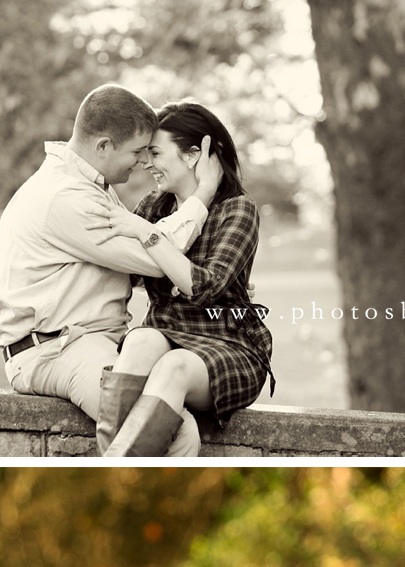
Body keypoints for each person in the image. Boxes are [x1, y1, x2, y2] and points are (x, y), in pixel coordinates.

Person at [0, 83, 227, 457]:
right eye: (136, 151)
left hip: (73, 341)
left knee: (167, 408)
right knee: (175, 430)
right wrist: (203, 195)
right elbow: (152, 256)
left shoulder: (88, 186)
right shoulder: (68, 197)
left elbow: (122, 267)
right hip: (58, 350)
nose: (142, 162)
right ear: (103, 147)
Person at [89, 100, 273, 456]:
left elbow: (203, 288)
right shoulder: (154, 207)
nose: (147, 163)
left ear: (192, 155)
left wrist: (147, 234)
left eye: (156, 153)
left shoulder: (237, 209)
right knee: (141, 341)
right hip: (162, 333)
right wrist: (38, 306)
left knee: (173, 367)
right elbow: (118, 275)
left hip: (225, 344)